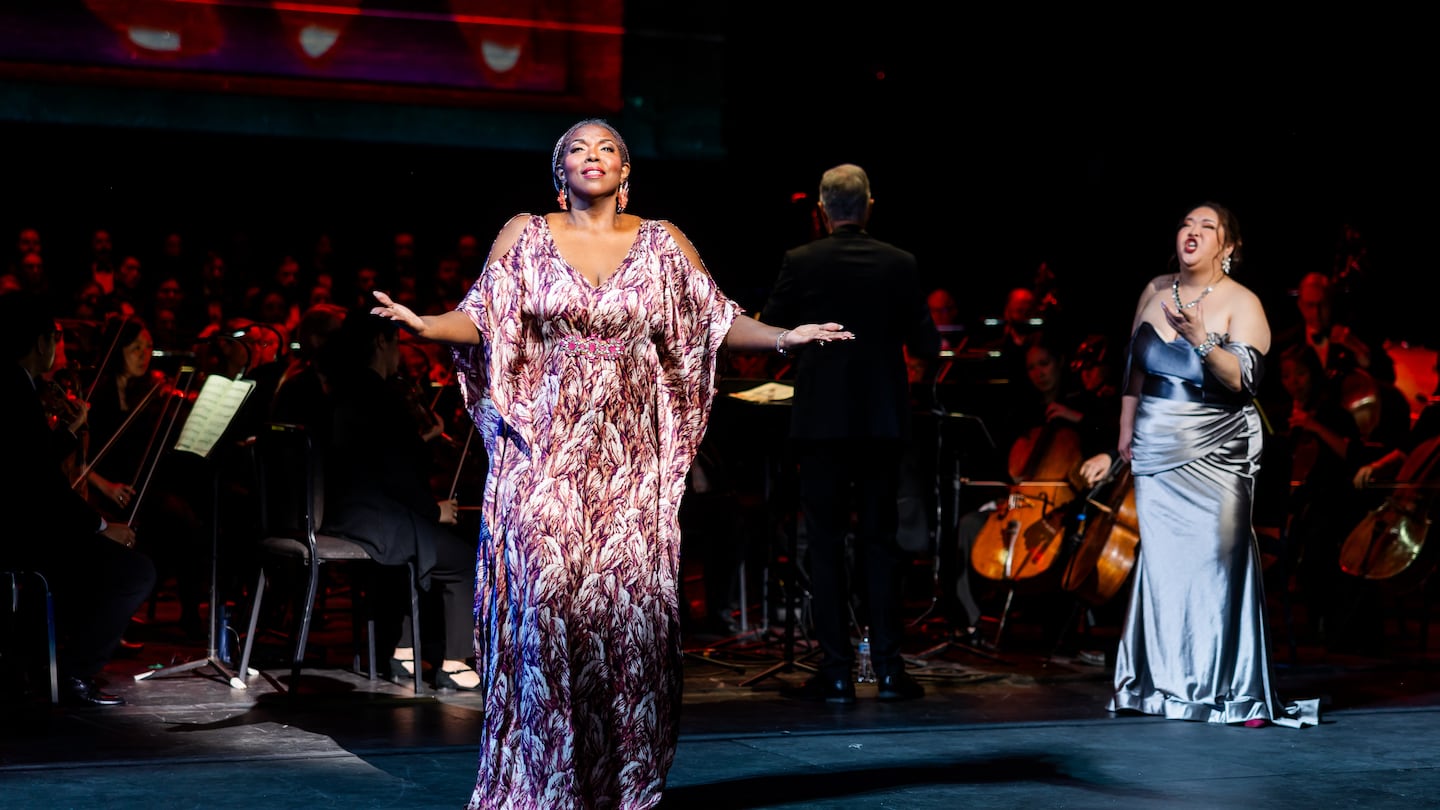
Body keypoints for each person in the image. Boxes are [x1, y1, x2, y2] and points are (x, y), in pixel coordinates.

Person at [365, 118, 851, 809]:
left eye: (607, 150)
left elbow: (715, 322)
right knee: (549, 610)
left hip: (631, 466)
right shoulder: (526, 234)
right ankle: (544, 779)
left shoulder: (662, 241)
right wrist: (424, 324)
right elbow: (481, 317)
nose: (592, 157)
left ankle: (621, 782)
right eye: (576, 150)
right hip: (545, 455)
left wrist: (785, 336)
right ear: (558, 173)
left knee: (625, 620)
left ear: (626, 174)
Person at [1108, 201, 1319, 728]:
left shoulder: (1242, 302)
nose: (1193, 231)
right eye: (1187, 223)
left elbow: (1243, 380)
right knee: (1163, 570)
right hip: (1157, 448)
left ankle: (1230, 688)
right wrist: (1125, 428)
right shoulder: (1154, 293)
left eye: (1209, 227)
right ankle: (1160, 687)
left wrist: (1202, 338)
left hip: (1218, 451)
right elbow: (1135, 369)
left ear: (1227, 248)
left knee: (1218, 566)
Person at [759, 163, 939, 705]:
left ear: (821, 208)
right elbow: (927, 344)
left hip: (821, 424)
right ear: (869, 206)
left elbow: (774, 330)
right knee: (881, 544)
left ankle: (836, 673)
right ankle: (888, 671)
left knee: (827, 545)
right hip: (883, 423)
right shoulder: (900, 263)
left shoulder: (801, 260)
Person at [0, 291, 156, 706]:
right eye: (54, 336)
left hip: (26, 523)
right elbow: (42, 488)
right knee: (134, 572)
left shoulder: (16, 385)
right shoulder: (16, 393)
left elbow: (31, 464)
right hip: (22, 536)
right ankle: (72, 673)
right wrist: (103, 527)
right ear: (39, 342)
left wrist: (68, 433)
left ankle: (39, 662)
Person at [318, 308, 480, 689]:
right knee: (458, 559)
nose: (400, 356)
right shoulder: (380, 396)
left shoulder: (340, 390)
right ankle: (454, 663)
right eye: (397, 345)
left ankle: (404, 654)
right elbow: (397, 471)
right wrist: (432, 509)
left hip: (343, 513)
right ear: (381, 342)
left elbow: (374, 458)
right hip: (374, 520)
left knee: (418, 547)